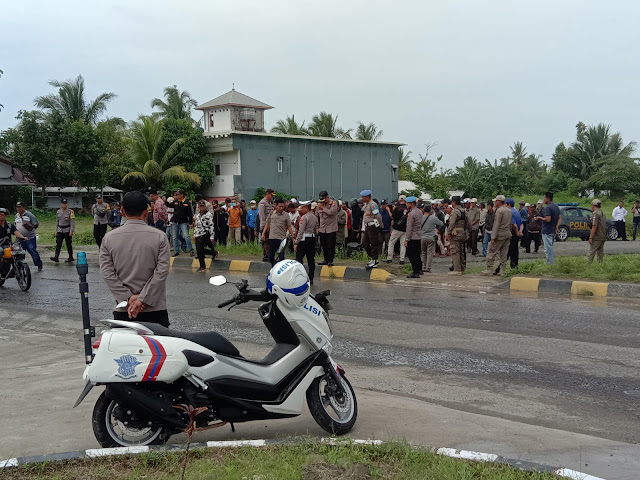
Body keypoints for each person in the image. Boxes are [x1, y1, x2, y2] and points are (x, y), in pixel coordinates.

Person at [100, 191, 171, 326]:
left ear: (122, 211)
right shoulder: (160, 237)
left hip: (124, 309)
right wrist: (142, 299)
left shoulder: (109, 238)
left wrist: (128, 298)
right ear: (146, 211)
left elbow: (107, 273)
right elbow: (161, 272)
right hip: (154, 310)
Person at [482, 195, 512, 276]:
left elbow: (496, 224)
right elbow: (510, 224)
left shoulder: (499, 211)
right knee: (504, 253)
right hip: (507, 234)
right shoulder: (509, 210)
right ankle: (502, 270)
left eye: (496, 201)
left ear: (499, 201)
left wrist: (493, 237)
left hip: (500, 234)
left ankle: (489, 269)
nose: (495, 202)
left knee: (491, 251)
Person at [262, 197, 294, 266]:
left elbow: (289, 227)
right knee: (271, 256)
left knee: (281, 256)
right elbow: (267, 224)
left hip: (281, 239)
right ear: (276, 206)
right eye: (280, 206)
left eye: (282, 206)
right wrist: (263, 234)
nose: (281, 208)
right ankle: (273, 268)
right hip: (272, 238)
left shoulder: (286, 215)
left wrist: (293, 237)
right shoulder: (271, 213)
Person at [14, 201, 43, 271]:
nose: (18, 209)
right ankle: (20, 266)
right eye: (17, 207)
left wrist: (31, 231)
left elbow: (36, 224)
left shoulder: (29, 215)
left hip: (30, 238)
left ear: (23, 207)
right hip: (20, 238)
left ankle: (39, 264)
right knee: (20, 253)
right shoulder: (16, 216)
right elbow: (15, 225)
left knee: (33, 251)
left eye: (20, 207)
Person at [294, 201, 318, 284]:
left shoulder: (304, 217)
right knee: (311, 259)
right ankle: (311, 277)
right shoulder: (314, 217)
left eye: (302, 208)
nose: (301, 209)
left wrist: (296, 242)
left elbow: (301, 231)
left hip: (304, 239)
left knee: (299, 258)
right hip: (312, 238)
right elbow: (316, 229)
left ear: (306, 208)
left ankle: (299, 276)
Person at [536, 192, 561, 264]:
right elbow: (560, 217)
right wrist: (557, 226)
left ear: (547, 198)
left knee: (548, 249)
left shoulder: (548, 208)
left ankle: (550, 263)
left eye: (544, 198)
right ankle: (551, 262)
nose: (543, 199)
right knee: (550, 247)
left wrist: (540, 217)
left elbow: (548, 219)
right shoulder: (556, 206)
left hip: (547, 230)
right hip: (552, 229)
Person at [193, 200, 218, 273]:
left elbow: (211, 226)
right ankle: (214, 252)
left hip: (205, 233)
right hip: (198, 234)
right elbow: (196, 226)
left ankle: (202, 266)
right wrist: (194, 235)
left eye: (203, 206)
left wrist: (212, 236)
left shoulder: (208, 215)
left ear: (205, 206)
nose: (201, 208)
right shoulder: (198, 215)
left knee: (200, 250)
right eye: (200, 206)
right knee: (199, 251)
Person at [360, 190, 383, 269]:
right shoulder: (367, 205)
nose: (362, 198)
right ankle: (373, 258)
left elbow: (378, 216)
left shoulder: (373, 205)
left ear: (367, 197)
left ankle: (374, 260)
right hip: (367, 226)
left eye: (363, 197)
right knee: (364, 243)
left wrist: (379, 225)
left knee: (373, 243)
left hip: (372, 226)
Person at [446, 196, 468, 275]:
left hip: (455, 233)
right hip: (462, 232)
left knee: (455, 251)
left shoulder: (455, 211)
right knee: (461, 251)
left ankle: (457, 269)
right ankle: (462, 268)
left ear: (454, 202)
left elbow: (452, 223)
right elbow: (468, 223)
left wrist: (448, 232)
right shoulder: (464, 211)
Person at [316, 190, 338, 266]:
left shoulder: (333, 203)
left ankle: (330, 260)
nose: (322, 201)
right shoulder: (319, 204)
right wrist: (317, 227)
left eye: (324, 199)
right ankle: (325, 259)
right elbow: (317, 216)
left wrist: (323, 208)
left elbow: (332, 212)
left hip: (331, 228)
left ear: (327, 197)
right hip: (322, 228)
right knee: (323, 245)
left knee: (330, 245)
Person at [420, 202, 443, 274]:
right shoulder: (433, 218)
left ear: (423, 210)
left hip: (422, 237)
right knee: (430, 253)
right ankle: (428, 267)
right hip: (431, 237)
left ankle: (424, 267)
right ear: (430, 210)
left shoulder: (420, 218)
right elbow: (441, 223)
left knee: (424, 253)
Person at [50, 198, 75, 263]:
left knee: (68, 244)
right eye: (63, 203)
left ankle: (71, 256)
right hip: (60, 230)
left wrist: (71, 231)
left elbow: (72, 222)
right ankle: (56, 256)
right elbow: (57, 221)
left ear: (67, 204)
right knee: (58, 243)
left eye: (65, 203)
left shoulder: (70, 212)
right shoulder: (58, 211)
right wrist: (56, 230)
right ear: (61, 204)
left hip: (67, 229)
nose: (64, 205)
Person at [403, 197, 423, 278]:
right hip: (418, 235)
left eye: (407, 203)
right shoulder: (419, 211)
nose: (406, 205)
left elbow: (409, 227)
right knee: (417, 254)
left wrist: (406, 239)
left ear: (411, 203)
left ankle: (415, 271)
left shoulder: (411, 214)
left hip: (412, 237)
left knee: (412, 255)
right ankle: (419, 269)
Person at [170, 189, 194, 257]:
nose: (176, 195)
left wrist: (190, 222)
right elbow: (169, 205)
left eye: (178, 194)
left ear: (182, 195)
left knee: (186, 236)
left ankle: (191, 250)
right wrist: (164, 201)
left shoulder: (187, 203)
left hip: (184, 222)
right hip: (175, 221)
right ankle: (176, 251)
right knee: (175, 237)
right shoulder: (175, 202)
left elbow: (190, 214)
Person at [386, 195, 407, 264]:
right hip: (405, 228)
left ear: (399, 200)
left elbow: (392, 217)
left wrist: (388, 210)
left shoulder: (397, 208)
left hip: (397, 228)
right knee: (403, 244)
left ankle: (389, 258)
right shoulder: (407, 208)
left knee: (391, 242)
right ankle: (402, 259)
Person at [506, 198, 523, 269]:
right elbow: (521, 224)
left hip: (512, 233)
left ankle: (502, 267)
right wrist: (520, 231)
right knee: (515, 250)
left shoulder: (510, 212)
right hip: (517, 234)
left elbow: (514, 225)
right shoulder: (517, 211)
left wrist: (516, 232)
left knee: (509, 251)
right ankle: (515, 266)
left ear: (508, 205)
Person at [258, 188, 275, 261]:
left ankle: (270, 255)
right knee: (265, 241)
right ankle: (266, 255)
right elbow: (262, 216)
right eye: (271, 195)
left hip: (271, 225)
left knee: (270, 241)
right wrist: (264, 226)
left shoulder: (271, 202)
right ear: (267, 194)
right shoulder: (262, 203)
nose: (272, 196)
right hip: (265, 225)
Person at [588, 199, 606, 263]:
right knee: (600, 253)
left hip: (597, 236)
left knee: (591, 252)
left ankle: (588, 264)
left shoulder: (595, 214)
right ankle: (600, 264)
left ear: (593, 205)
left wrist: (591, 237)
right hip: (602, 235)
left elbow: (594, 226)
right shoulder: (602, 213)